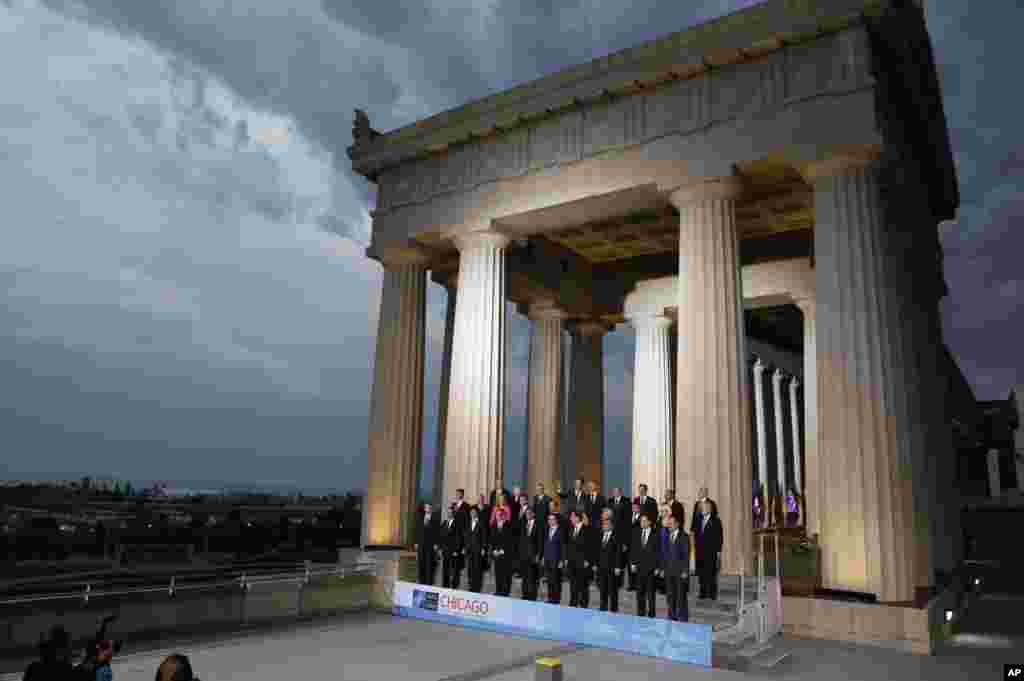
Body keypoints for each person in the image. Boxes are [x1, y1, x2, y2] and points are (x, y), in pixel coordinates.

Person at [661, 515, 690, 622]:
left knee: (681, 596)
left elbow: (686, 555)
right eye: (668, 523)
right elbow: (665, 554)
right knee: (670, 596)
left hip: (680, 572)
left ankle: (682, 618)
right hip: (669, 571)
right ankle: (671, 616)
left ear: (677, 524)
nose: (669, 525)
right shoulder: (667, 536)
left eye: (671, 523)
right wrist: (663, 569)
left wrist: (685, 571)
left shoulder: (684, 536)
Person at [630, 513, 659, 617]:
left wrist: (657, 567)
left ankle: (651, 615)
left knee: (650, 594)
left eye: (644, 521)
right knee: (640, 593)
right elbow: (633, 548)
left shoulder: (656, 534)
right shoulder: (636, 532)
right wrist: (632, 563)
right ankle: (640, 614)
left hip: (651, 568)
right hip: (639, 567)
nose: (642, 523)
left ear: (649, 522)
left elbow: (658, 552)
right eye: (641, 521)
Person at [694, 499, 723, 600]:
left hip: (711, 551)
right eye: (703, 507)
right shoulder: (698, 519)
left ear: (710, 509)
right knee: (701, 573)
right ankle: (702, 592)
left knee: (711, 573)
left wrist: (718, 551)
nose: (704, 509)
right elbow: (696, 535)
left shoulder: (716, 520)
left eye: (707, 507)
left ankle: (712, 594)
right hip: (700, 551)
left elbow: (719, 537)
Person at [566, 511, 595, 608]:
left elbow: (591, 547)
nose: (571, 519)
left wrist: (588, 560)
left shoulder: (587, 529)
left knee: (583, 588)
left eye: (572, 517)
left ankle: (583, 607)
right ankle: (573, 605)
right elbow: (569, 546)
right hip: (572, 563)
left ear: (578, 518)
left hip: (583, 564)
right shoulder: (570, 529)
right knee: (573, 587)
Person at [596, 514, 622, 612]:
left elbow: (618, 553)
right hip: (602, 568)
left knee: (612, 591)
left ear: (611, 526)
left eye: (606, 524)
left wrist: (618, 567)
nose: (604, 526)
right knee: (603, 590)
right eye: (603, 524)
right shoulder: (601, 535)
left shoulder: (616, 537)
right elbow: (598, 552)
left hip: (612, 568)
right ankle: (603, 607)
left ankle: (613, 610)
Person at [490, 508, 515, 597]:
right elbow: (492, 540)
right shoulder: (493, 526)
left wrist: (502, 550)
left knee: (506, 575)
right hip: (496, 554)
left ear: (504, 515)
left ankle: (505, 592)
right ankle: (498, 590)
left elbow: (510, 541)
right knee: (498, 573)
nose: (498, 516)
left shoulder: (509, 525)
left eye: (500, 515)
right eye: (497, 515)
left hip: (506, 554)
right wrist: (494, 550)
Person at [518, 507, 541, 600]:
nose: (527, 515)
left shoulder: (538, 525)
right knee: (525, 578)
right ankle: (525, 596)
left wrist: (538, 554)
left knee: (532, 578)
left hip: (533, 556)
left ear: (533, 514)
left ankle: (532, 598)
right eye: (526, 513)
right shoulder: (523, 524)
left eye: (529, 513)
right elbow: (521, 540)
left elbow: (540, 541)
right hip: (524, 556)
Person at [414, 503, 440, 586]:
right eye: (426, 507)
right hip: (421, 544)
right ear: (424, 509)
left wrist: (436, 543)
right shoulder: (420, 517)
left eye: (429, 507)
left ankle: (429, 583)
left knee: (429, 564)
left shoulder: (435, 518)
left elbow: (437, 532)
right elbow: (417, 530)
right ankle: (421, 582)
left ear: (431, 509)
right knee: (421, 563)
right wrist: (416, 542)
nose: (428, 509)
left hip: (430, 545)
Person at [542, 512, 565, 604]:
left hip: (556, 560)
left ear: (556, 520)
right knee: (549, 580)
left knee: (556, 581)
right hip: (547, 559)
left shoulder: (560, 531)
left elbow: (563, 547)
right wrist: (543, 556)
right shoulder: (547, 530)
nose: (550, 521)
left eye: (552, 519)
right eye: (549, 519)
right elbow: (545, 544)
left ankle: (556, 599)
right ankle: (550, 598)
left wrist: (562, 560)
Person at [463, 506, 487, 593]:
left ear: (477, 513)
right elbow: (465, 536)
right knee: (470, 568)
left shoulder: (481, 522)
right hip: (469, 550)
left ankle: (477, 587)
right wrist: (465, 547)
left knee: (477, 569)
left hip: (478, 549)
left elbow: (484, 536)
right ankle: (471, 586)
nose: (472, 513)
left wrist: (484, 548)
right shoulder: (468, 522)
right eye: (471, 512)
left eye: (474, 512)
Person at [440, 505, 463, 589]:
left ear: (454, 513)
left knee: (454, 570)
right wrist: (440, 548)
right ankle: (445, 586)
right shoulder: (444, 523)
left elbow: (459, 538)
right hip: (445, 551)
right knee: (445, 569)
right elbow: (441, 536)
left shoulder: (457, 524)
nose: (449, 514)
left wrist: (456, 550)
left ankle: (454, 587)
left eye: (451, 512)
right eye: (448, 512)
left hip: (453, 551)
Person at [626, 500, 643, 591]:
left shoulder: (642, 518)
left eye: (636, 507)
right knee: (630, 565)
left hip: (638, 544)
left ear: (639, 508)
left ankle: (638, 584)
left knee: (637, 564)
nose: (634, 509)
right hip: (629, 544)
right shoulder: (629, 516)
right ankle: (631, 584)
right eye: (633, 507)